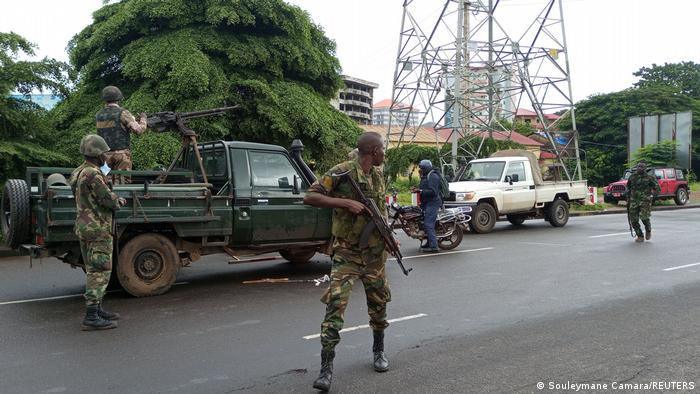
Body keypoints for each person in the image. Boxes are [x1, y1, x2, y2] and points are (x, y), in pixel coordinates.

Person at [304, 132, 393, 392]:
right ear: (374, 151)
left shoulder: (377, 175)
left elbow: (381, 211)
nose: (384, 153)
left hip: (375, 254)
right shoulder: (342, 172)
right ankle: (326, 369)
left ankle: (378, 351)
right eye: (382, 149)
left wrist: (390, 237)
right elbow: (310, 196)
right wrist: (343, 202)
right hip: (347, 254)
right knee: (334, 308)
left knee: (379, 305)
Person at [69, 134, 127, 331]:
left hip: (84, 226)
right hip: (98, 228)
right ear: (96, 154)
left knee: (92, 267)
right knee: (100, 270)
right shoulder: (93, 174)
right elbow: (107, 200)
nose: (106, 156)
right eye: (104, 153)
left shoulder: (78, 171)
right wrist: (118, 200)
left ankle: (98, 308)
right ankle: (92, 316)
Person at [96, 85, 147, 183]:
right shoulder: (123, 113)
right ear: (118, 98)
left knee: (106, 182)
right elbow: (139, 130)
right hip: (121, 156)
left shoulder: (99, 114)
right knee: (122, 184)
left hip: (104, 156)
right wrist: (143, 119)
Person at [411, 159, 442, 252]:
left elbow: (433, 192)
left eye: (422, 168)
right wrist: (417, 189)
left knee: (429, 224)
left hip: (433, 203)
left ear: (427, 168)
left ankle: (434, 247)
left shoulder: (433, 176)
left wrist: (420, 191)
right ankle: (429, 243)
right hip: (426, 203)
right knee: (424, 223)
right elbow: (424, 188)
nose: (420, 170)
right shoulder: (425, 176)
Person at [627, 160, 660, 242]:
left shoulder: (650, 178)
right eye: (638, 166)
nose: (639, 168)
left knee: (644, 217)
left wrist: (652, 196)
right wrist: (628, 198)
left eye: (641, 167)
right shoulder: (632, 177)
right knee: (633, 220)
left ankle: (648, 230)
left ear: (645, 168)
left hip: (645, 201)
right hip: (633, 201)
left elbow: (657, 188)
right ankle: (640, 236)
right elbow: (628, 187)